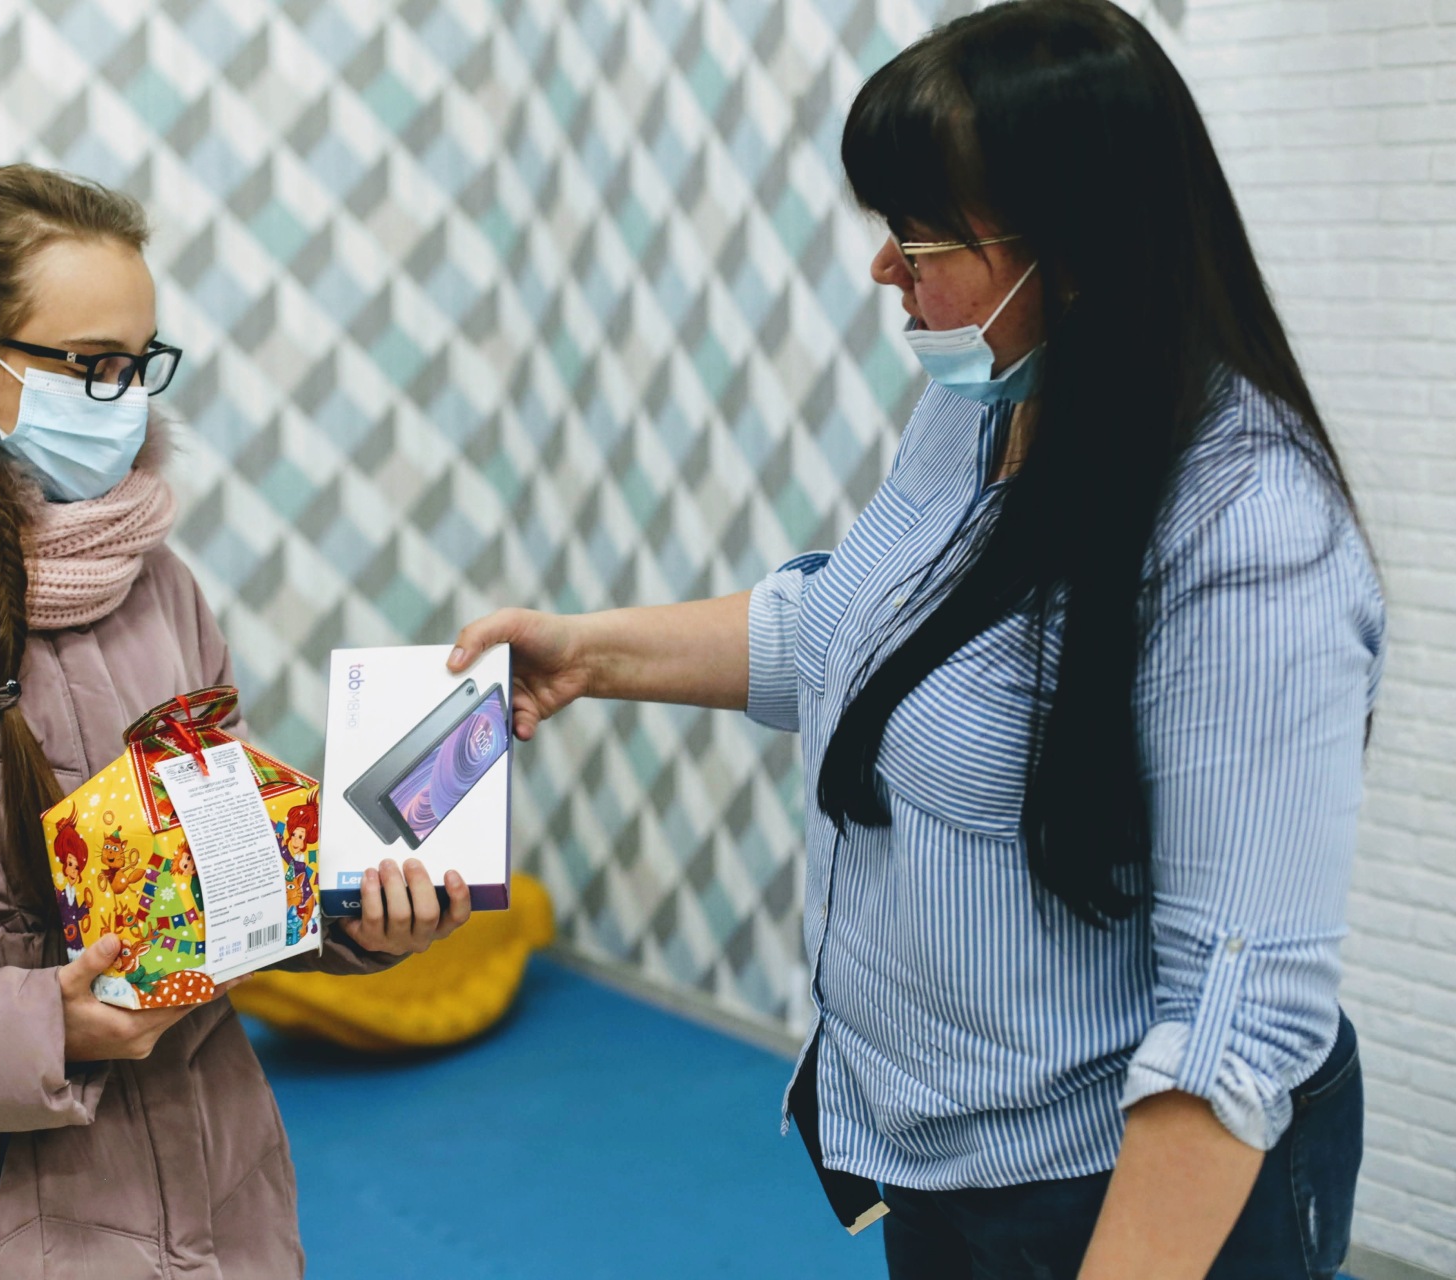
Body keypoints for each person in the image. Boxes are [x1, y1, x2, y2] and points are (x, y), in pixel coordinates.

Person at [449, 3, 1383, 1276]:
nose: (886, 268)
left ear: (1076, 251)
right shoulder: (990, 401)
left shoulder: (1252, 534)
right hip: (933, 1150)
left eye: (921, 236)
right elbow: (853, 630)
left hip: (1121, 1188)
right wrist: (591, 651)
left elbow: (1238, 1012)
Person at [0, 164, 471, 1279]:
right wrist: (36, 1025)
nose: (129, 401)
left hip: (223, 1205)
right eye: (95, 367)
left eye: (141, 364)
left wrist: (349, 919)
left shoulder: (155, 583)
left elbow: (214, 866)